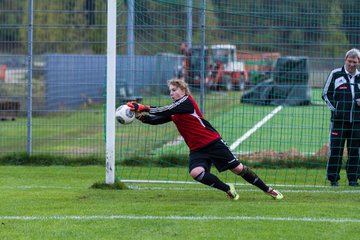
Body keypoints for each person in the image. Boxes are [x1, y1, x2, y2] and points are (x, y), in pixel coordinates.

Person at [127, 78, 283, 200]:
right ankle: (228, 189)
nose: (171, 93)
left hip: (212, 142)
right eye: (170, 91)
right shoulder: (175, 109)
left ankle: (269, 190)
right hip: (197, 149)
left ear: (183, 90)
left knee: (238, 169)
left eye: (174, 90)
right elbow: (156, 119)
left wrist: (143, 107)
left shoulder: (187, 101)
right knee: (196, 173)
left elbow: (162, 109)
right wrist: (138, 116)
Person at [322, 48, 360, 187]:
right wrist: (336, 110)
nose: (352, 64)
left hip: (357, 122)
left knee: (355, 152)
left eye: (354, 62)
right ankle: (333, 179)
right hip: (338, 121)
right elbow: (326, 94)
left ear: (359, 62)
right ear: (345, 60)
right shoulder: (335, 74)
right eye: (349, 61)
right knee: (336, 150)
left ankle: (353, 179)